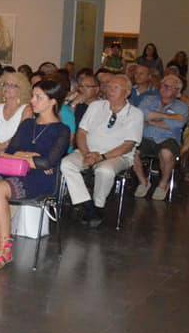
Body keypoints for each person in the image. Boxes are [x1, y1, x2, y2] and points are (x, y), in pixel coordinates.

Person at [0, 78, 71, 269]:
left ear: (53, 101)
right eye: (33, 96)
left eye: (38, 97)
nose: (32, 100)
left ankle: (5, 249)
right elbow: (9, 151)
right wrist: (28, 157)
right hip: (13, 172)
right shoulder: (27, 125)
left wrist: (24, 157)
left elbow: (48, 162)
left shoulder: (62, 131)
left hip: (41, 179)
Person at [59, 74, 143, 228]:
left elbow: (128, 145)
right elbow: (82, 133)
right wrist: (86, 153)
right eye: (109, 86)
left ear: (127, 92)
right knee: (66, 163)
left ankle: (99, 206)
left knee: (105, 170)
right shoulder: (96, 106)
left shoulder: (136, 114)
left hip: (117, 155)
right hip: (88, 151)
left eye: (115, 88)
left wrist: (102, 157)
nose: (110, 90)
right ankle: (86, 204)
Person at [132, 74, 188, 200]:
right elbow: (141, 115)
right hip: (145, 137)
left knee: (166, 153)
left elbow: (177, 124)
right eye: (163, 85)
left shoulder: (182, 107)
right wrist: (168, 117)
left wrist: (151, 120)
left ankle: (163, 184)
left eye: (169, 86)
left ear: (177, 91)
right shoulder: (148, 100)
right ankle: (143, 182)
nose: (164, 88)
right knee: (131, 150)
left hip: (168, 139)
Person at [0, 72, 33, 155]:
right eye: (5, 84)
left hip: (14, 154)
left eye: (13, 85)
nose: (7, 88)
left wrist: (1, 147)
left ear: (21, 89)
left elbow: (21, 136)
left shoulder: (26, 109)